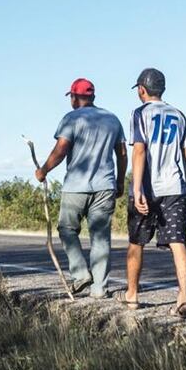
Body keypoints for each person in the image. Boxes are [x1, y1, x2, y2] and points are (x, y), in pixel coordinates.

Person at [35, 78, 127, 299]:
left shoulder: (71, 119)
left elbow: (61, 150)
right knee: (100, 237)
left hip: (76, 187)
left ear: (75, 98)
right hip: (105, 185)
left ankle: (80, 273)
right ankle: (99, 288)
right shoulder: (112, 119)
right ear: (92, 96)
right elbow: (122, 154)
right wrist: (120, 181)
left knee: (67, 229)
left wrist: (43, 170)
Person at [123, 68, 186, 316]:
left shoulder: (140, 113)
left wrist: (137, 189)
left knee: (137, 241)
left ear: (141, 90)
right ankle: (183, 297)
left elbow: (139, 150)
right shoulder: (178, 114)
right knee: (178, 242)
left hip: (148, 187)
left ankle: (132, 295)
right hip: (175, 187)